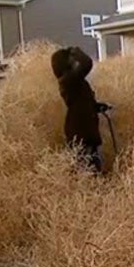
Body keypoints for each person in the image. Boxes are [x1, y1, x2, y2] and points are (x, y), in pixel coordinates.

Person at [50, 46, 111, 174]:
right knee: (88, 170)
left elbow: (81, 103)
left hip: (84, 132)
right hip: (81, 133)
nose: (74, 61)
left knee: (91, 169)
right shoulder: (68, 80)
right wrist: (75, 50)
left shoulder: (74, 81)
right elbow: (87, 63)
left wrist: (96, 106)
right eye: (71, 59)